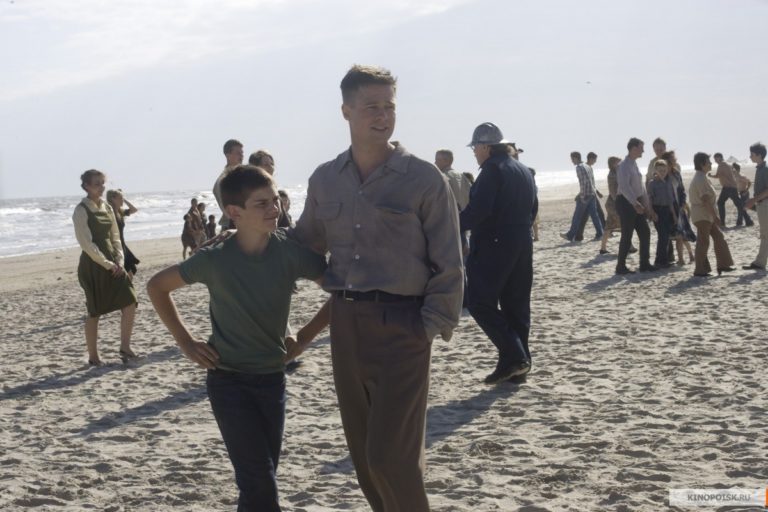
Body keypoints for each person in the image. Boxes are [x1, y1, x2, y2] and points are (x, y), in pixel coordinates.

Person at [291, 64, 463, 512]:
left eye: (389, 106)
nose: (383, 115)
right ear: (346, 110)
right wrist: (243, 238)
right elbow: (304, 244)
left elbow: (450, 261)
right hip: (345, 323)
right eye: (372, 106)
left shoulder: (423, 178)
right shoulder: (325, 178)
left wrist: (428, 327)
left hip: (404, 327)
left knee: (392, 459)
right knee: (366, 459)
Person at [146, 165, 327, 511]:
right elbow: (157, 287)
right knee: (260, 483)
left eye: (275, 200)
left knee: (260, 479)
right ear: (234, 211)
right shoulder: (214, 259)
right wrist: (186, 342)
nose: (274, 209)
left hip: (272, 380)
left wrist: (304, 337)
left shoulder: (291, 253)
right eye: (262, 203)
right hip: (228, 382)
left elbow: (343, 291)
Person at [460, 122, 536, 386]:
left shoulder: (492, 170)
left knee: (479, 301)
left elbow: (479, 210)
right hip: (522, 241)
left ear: (485, 147)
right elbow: (533, 208)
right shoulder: (522, 169)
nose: (474, 153)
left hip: (494, 242)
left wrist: (451, 224)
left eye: (475, 148)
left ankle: (516, 356)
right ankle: (517, 369)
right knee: (517, 305)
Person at [72, 170, 138, 365]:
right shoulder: (81, 210)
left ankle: (125, 347)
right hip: (93, 265)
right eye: (97, 184)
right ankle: (93, 356)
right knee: (95, 311)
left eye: (102, 183)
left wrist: (119, 261)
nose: (101, 187)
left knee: (130, 300)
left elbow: (115, 237)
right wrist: (108, 264)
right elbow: (87, 244)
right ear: (86, 186)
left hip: (114, 262)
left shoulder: (107, 207)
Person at [615, 138, 658, 274]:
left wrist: (647, 206)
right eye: (641, 148)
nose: (643, 151)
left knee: (645, 232)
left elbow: (641, 188)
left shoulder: (634, 164)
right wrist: (635, 203)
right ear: (634, 148)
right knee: (627, 234)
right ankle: (620, 266)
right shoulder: (623, 165)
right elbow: (624, 187)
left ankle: (644, 264)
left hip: (636, 202)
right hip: (625, 202)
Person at [689, 152, 735, 276]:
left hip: (706, 215)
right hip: (702, 216)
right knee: (703, 242)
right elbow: (705, 200)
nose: (710, 163)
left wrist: (713, 216)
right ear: (702, 164)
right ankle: (699, 270)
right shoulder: (700, 178)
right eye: (708, 162)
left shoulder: (703, 177)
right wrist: (715, 216)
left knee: (719, 238)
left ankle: (723, 265)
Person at [561, 151, 603, 242]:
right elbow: (592, 182)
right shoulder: (587, 166)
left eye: (572, 159)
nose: (572, 161)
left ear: (576, 158)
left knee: (577, 216)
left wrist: (582, 197)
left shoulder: (579, 167)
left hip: (586, 195)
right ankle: (600, 233)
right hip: (592, 194)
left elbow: (584, 183)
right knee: (594, 215)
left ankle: (570, 235)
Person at [662, 151, 696, 265]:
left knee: (681, 234)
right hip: (668, 208)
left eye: (674, 159)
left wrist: (683, 203)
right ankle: (685, 257)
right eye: (672, 159)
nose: (675, 160)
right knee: (677, 235)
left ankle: (686, 257)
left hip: (679, 207)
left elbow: (681, 190)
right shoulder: (662, 175)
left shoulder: (676, 173)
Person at [646, 160, 677, 268]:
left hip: (667, 211)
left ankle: (664, 259)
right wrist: (652, 212)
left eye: (664, 170)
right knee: (662, 235)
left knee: (666, 236)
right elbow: (649, 200)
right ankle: (660, 261)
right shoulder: (652, 183)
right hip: (657, 210)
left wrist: (674, 215)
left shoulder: (668, 183)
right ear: (655, 170)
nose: (662, 172)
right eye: (660, 170)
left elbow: (670, 201)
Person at [743, 142, 768, 270]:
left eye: (752, 154)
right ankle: (760, 262)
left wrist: (753, 200)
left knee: (765, 234)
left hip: (765, 204)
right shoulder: (760, 169)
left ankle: (760, 263)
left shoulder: (765, 170)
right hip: (761, 204)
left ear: (759, 155)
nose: (750, 156)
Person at [106, 189, 140, 276]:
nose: (122, 200)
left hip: (122, 245)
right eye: (120, 198)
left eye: (122, 198)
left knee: (130, 271)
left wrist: (124, 199)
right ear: (113, 199)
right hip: (116, 246)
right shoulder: (108, 213)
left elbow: (134, 209)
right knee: (127, 273)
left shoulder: (120, 212)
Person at [213, 139, 245, 230]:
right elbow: (225, 206)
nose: (241, 156)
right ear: (228, 155)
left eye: (242, 153)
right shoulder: (223, 179)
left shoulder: (244, 174)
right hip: (232, 225)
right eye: (238, 153)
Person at [708, 153, 745, 228]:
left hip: (728, 187)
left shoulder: (721, 165)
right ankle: (741, 221)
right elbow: (734, 173)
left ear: (719, 158)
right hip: (733, 187)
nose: (715, 161)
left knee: (720, 203)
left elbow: (718, 175)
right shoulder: (728, 164)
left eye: (716, 159)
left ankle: (723, 223)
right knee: (739, 205)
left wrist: (710, 175)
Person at [599, 156, 622, 254]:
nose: (620, 164)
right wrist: (618, 202)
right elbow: (612, 191)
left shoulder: (616, 173)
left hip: (613, 203)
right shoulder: (612, 175)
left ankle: (603, 248)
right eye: (618, 162)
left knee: (610, 226)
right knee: (621, 225)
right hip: (614, 204)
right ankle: (629, 246)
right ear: (613, 164)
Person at [732, 162, 755, 227]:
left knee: (741, 208)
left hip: (744, 193)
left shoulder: (741, 176)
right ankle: (745, 222)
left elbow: (749, 182)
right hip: (740, 194)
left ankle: (746, 222)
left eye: (733, 169)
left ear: (737, 169)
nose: (732, 170)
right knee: (741, 208)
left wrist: (746, 190)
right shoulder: (735, 177)